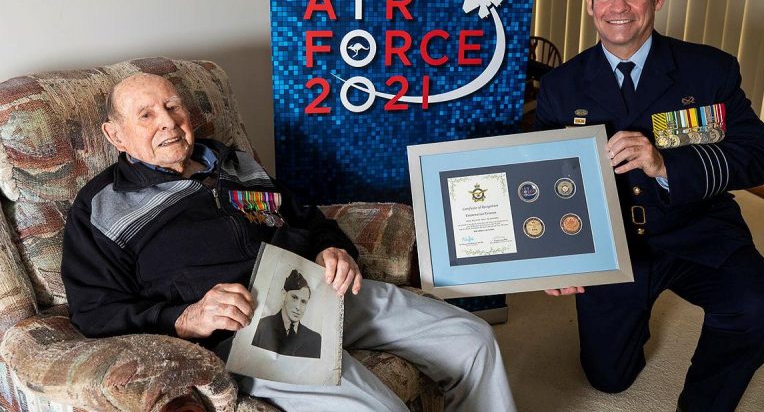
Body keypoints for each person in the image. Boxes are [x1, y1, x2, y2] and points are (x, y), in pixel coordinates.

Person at [61, 73, 516, 412]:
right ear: (114, 134)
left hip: (316, 287)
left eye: (174, 107)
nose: (169, 123)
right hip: (250, 328)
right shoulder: (100, 207)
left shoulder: (231, 160)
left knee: (473, 339)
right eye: (146, 115)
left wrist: (332, 249)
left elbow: (307, 218)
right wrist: (185, 318)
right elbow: (94, 311)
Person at [534, 0, 764, 411]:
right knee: (608, 378)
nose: (617, 8)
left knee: (762, 309)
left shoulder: (709, 69)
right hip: (612, 246)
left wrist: (664, 163)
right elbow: (541, 181)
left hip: (696, 226)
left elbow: (758, 157)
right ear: (590, 4)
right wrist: (555, 259)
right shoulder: (561, 85)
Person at [252, 270, 321, 358]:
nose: (298, 307)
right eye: (294, 297)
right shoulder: (261, 326)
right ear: (284, 294)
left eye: (303, 302)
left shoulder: (315, 339)